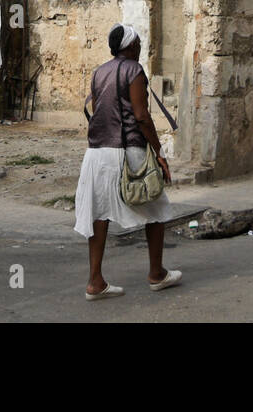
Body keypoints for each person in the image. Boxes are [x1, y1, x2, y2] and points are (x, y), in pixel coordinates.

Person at [74, 24, 181, 300]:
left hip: (96, 154)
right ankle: (156, 274)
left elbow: (98, 110)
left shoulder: (99, 72)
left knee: (99, 214)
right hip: (126, 151)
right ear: (132, 47)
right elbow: (141, 115)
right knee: (157, 210)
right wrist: (158, 152)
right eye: (139, 44)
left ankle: (95, 282)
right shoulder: (134, 70)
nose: (141, 48)